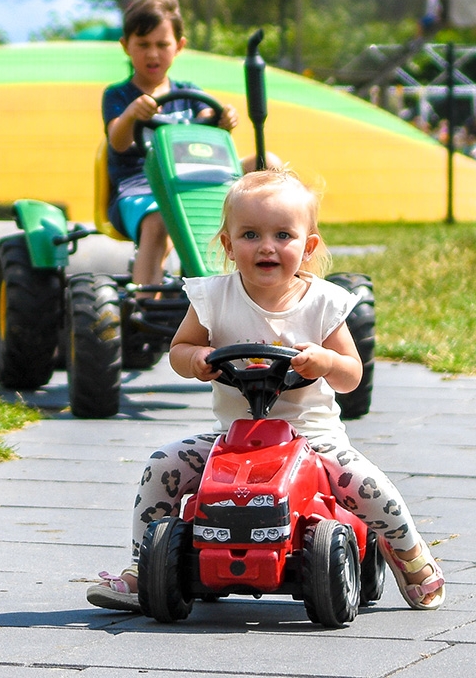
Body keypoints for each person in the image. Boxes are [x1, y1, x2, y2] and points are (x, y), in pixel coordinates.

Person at [86, 168, 446, 614]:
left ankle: (407, 551)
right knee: (164, 465)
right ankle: (144, 566)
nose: (267, 247)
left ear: (307, 246)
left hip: (310, 438)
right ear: (228, 245)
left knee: (367, 484)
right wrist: (196, 359)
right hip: (234, 441)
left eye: (282, 235)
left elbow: (351, 374)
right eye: (251, 234)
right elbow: (179, 349)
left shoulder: (323, 302)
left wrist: (325, 361)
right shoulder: (213, 298)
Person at [103, 0, 239, 290]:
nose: (153, 54)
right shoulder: (119, 96)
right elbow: (118, 142)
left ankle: (286, 282)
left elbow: (209, 125)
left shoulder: (190, 94)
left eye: (162, 45)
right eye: (143, 45)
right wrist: (130, 115)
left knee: (270, 167)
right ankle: (144, 302)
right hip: (138, 187)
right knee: (158, 218)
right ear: (126, 46)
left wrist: (224, 121)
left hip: (194, 180)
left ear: (178, 47)